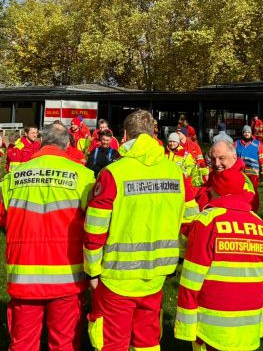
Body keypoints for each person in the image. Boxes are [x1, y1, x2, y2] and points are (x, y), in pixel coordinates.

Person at [84, 109, 196, 351]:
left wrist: (92, 272)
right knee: (148, 340)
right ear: (153, 134)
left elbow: (94, 230)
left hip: (116, 277)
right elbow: (191, 223)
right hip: (157, 275)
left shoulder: (113, 174)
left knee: (112, 342)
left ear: (124, 135)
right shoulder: (176, 172)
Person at [0, 122, 95, 351]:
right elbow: (95, 224)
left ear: (41, 141)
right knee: (64, 344)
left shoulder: (14, 176)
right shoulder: (84, 176)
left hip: (24, 275)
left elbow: (1, 218)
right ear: (68, 144)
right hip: (67, 276)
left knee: (22, 344)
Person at [175, 167, 263, 351]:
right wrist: (260, 326)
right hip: (248, 327)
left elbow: (192, 278)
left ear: (217, 191)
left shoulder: (207, 221)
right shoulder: (261, 225)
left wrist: (186, 328)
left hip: (211, 328)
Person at [196, 139, 258, 212]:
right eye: (213, 159)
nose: (216, 163)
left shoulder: (242, 179)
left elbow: (247, 208)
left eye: (221, 158)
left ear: (234, 157)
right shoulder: (216, 174)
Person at [235, 125, 263, 190]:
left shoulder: (258, 143)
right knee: (241, 189)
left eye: (248, 132)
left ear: (251, 133)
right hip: (240, 171)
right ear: (242, 133)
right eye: (245, 132)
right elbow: (232, 157)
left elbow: (262, 157)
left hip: (253, 171)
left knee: (253, 189)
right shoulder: (236, 143)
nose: (247, 134)